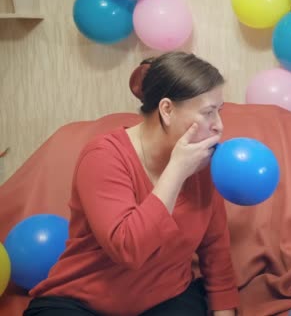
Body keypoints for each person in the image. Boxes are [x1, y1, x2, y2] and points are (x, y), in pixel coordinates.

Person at [24, 52, 239, 316]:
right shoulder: (104, 156)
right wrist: (177, 170)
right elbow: (129, 249)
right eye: (208, 113)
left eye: (219, 111)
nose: (219, 126)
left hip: (166, 300)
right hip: (81, 302)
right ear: (167, 110)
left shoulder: (203, 165)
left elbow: (215, 252)